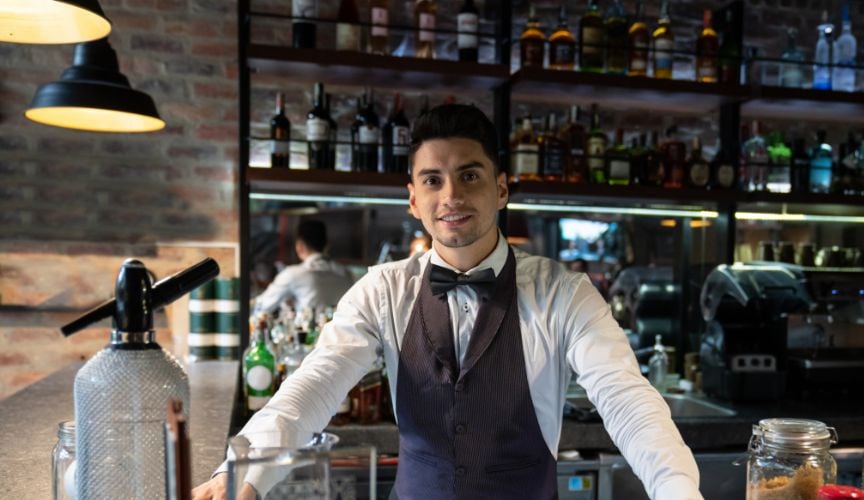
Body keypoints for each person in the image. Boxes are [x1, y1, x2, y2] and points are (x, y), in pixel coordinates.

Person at [193, 105, 702, 500]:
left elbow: (628, 401)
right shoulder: (381, 291)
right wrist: (241, 474)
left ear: (502, 188)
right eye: (433, 180)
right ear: (413, 199)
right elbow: (313, 387)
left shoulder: (563, 293)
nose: (451, 195)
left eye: (471, 175)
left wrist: (679, 490)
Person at [251, 219, 354, 315]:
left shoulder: (293, 274)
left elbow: (261, 307)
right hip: (341, 333)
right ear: (327, 245)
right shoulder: (346, 274)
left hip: (309, 334)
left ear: (300, 246)